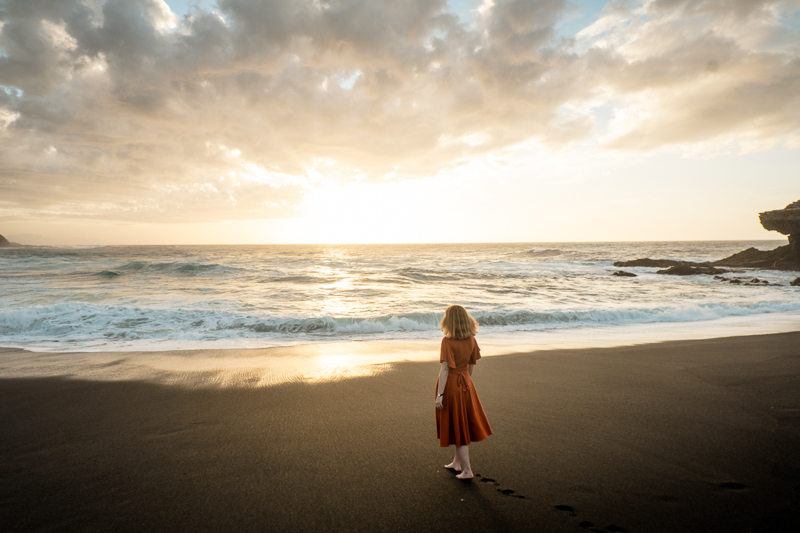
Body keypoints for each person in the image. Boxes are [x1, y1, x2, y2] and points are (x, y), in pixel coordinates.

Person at [434, 305, 493, 480]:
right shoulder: (471, 339)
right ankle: (456, 462)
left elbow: (444, 370)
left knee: (457, 427)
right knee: (459, 423)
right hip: (466, 384)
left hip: (451, 386)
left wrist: (440, 395)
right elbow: (471, 366)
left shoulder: (447, 341)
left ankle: (467, 470)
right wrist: (466, 380)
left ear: (449, 320)